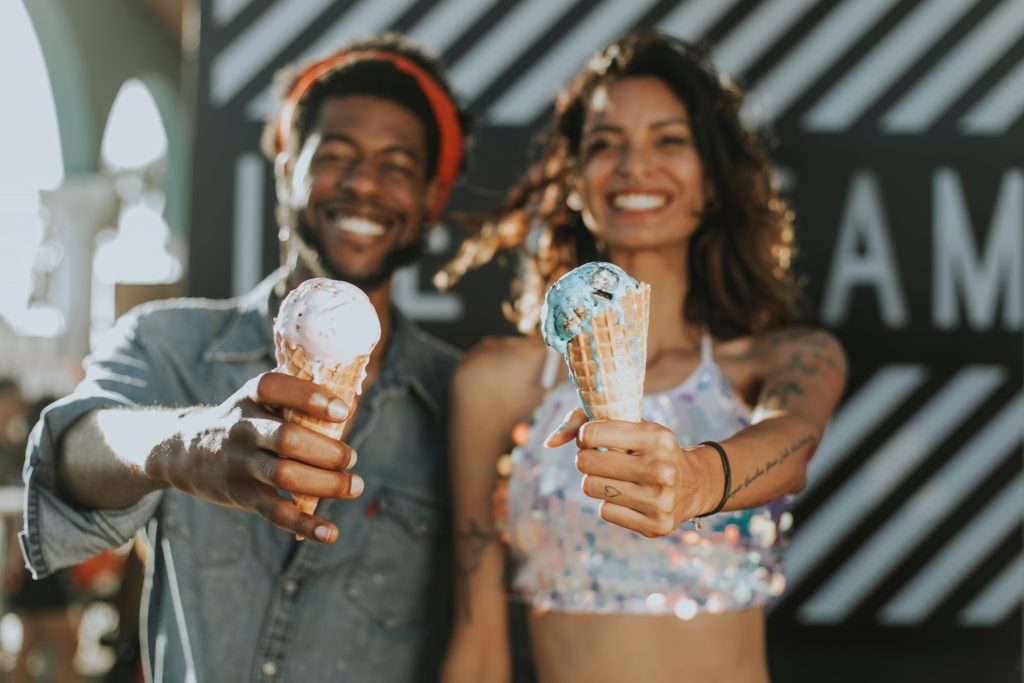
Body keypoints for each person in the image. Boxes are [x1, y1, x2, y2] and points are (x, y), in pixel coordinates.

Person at [19, 33, 472, 682]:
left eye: (397, 165)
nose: (365, 182)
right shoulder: (170, 342)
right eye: (337, 153)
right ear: (288, 170)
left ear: (431, 200)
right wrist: (183, 446)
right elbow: (67, 456)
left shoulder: (460, 396)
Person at [439, 30, 846, 683]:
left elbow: (792, 444)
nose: (634, 166)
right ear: (575, 180)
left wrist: (698, 479)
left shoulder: (786, 358)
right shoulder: (498, 382)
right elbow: (478, 648)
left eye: (669, 140)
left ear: (712, 181)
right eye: (605, 144)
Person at [2, 386, 79, 683]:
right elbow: (25, 514)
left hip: (32, 559)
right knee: (65, 644)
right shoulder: (44, 457)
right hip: (40, 558)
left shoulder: (25, 453)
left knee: (30, 643)